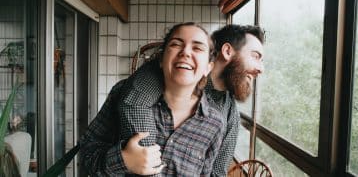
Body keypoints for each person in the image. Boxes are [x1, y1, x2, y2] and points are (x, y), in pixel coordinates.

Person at [80, 24, 265, 176]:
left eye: (198, 48)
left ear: (207, 66)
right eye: (255, 56)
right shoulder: (137, 89)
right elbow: (87, 155)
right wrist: (122, 160)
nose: (261, 68)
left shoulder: (226, 116)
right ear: (226, 51)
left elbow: (216, 173)